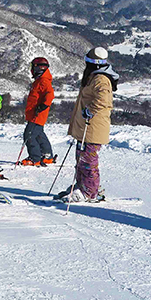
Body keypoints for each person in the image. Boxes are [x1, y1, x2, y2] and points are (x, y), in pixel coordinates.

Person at [57, 47, 119, 203]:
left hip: (93, 127)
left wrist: (89, 110)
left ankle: (90, 192)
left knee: (88, 161)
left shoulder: (101, 79)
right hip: (86, 126)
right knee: (81, 159)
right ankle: (82, 186)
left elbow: (104, 100)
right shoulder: (94, 77)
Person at [20, 57, 56, 166]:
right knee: (39, 134)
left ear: (38, 68)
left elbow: (50, 94)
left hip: (37, 114)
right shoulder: (40, 80)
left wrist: (43, 106)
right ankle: (47, 156)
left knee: (29, 135)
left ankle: (35, 158)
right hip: (35, 114)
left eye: (33, 67)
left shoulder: (43, 81)